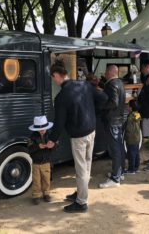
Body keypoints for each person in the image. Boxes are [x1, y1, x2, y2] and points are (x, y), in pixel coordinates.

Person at [46, 60, 105, 213]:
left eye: (53, 78)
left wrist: (52, 140)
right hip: (91, 130)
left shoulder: (61, 97)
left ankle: (81, 202)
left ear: (58, 75)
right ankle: (80, 192)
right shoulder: (84, 85)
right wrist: (92, 113)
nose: (54, 81)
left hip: (78, 136)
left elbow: (59, 123)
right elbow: (103, 98)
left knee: (81, 169)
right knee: (87, 166)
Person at [99, 65, 126, 188]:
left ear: (109, 72)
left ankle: (115, 179)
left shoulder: (110, 84)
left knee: (115, 148)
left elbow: (113, 102)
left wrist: (101, 106)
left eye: (105, 71)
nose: (105, 74)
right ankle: (120, 173)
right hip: (119, 118)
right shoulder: (120, 82)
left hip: (112, 120)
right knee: (119, 147)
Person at [27, 115, 55, 205]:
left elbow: (56, 145)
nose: (42, 131)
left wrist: (53, 146)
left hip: (46, 162)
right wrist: (37, 146)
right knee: (36, 180)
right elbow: (29, 149)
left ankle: (46, 194)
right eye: (40, 129)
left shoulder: (51, 135)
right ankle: (36, 195)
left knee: (46, 179)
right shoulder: (32, 137)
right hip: (36, 163)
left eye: (44, 128)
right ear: (35, 129)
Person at [124, 100, 142, 174]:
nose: (127, 108)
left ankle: (131, 169)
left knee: (131, 154)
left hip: (131, 138)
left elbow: (128, 127)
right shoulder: (138, 114)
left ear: (131, 108)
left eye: (128, 106)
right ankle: (136, 167)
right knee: (136, 153)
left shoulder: (130, 116)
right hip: (137, 137)